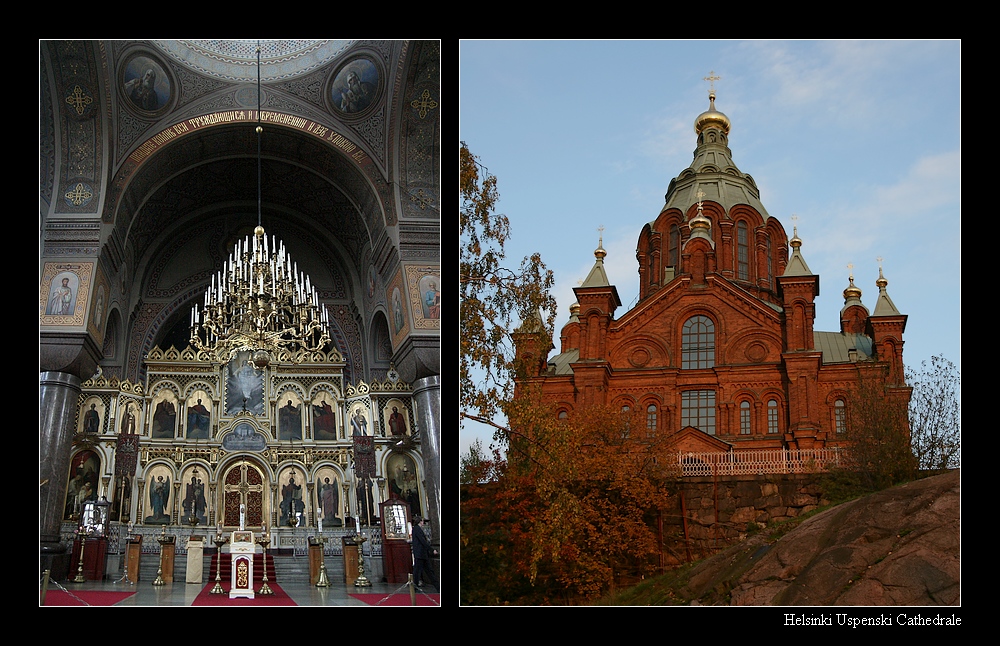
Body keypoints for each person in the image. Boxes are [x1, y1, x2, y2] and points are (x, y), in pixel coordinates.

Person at [410, 515, 438, 592]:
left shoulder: (416, 529)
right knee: (418, 571)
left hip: (422, 554)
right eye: (422, 521)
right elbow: (422, 541)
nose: (423, 523)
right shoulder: (417, 529)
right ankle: (415, 587)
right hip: (420, 554)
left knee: (427, 571)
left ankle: (437, 587)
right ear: (420, 522)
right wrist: (431, 550)